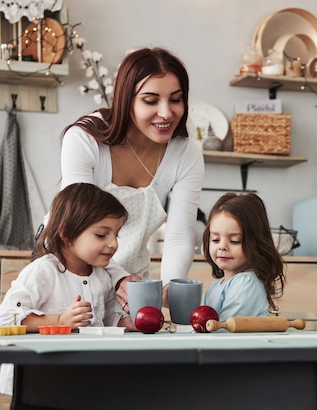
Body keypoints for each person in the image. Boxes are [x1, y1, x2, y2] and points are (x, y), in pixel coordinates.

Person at [54, 47, 204, 310]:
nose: (167, 113)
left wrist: (170, 285)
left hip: (133, 279)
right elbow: (78, 230)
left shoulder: (186, 153)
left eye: (176, 99)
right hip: (72, 273)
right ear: (126, 100)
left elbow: (179, 235)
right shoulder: (84, 140)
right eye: (150, 100)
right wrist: (117, 278)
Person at [0, 183, 138, 398]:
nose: (113, 244)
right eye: (101, 235)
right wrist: (60, 321)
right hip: (44, 384)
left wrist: (127, 323)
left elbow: (107, 320)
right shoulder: (43, 271)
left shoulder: (102, 276)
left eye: (116, 235)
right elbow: (7, 319)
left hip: (90, 380)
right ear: (67, 234)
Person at [201, 193, 285, 320]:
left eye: (235, 241)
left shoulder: (246, 283)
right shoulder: (215, 286)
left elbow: (225, 330)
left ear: (256, 243)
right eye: (215, 239)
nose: (222, 246)